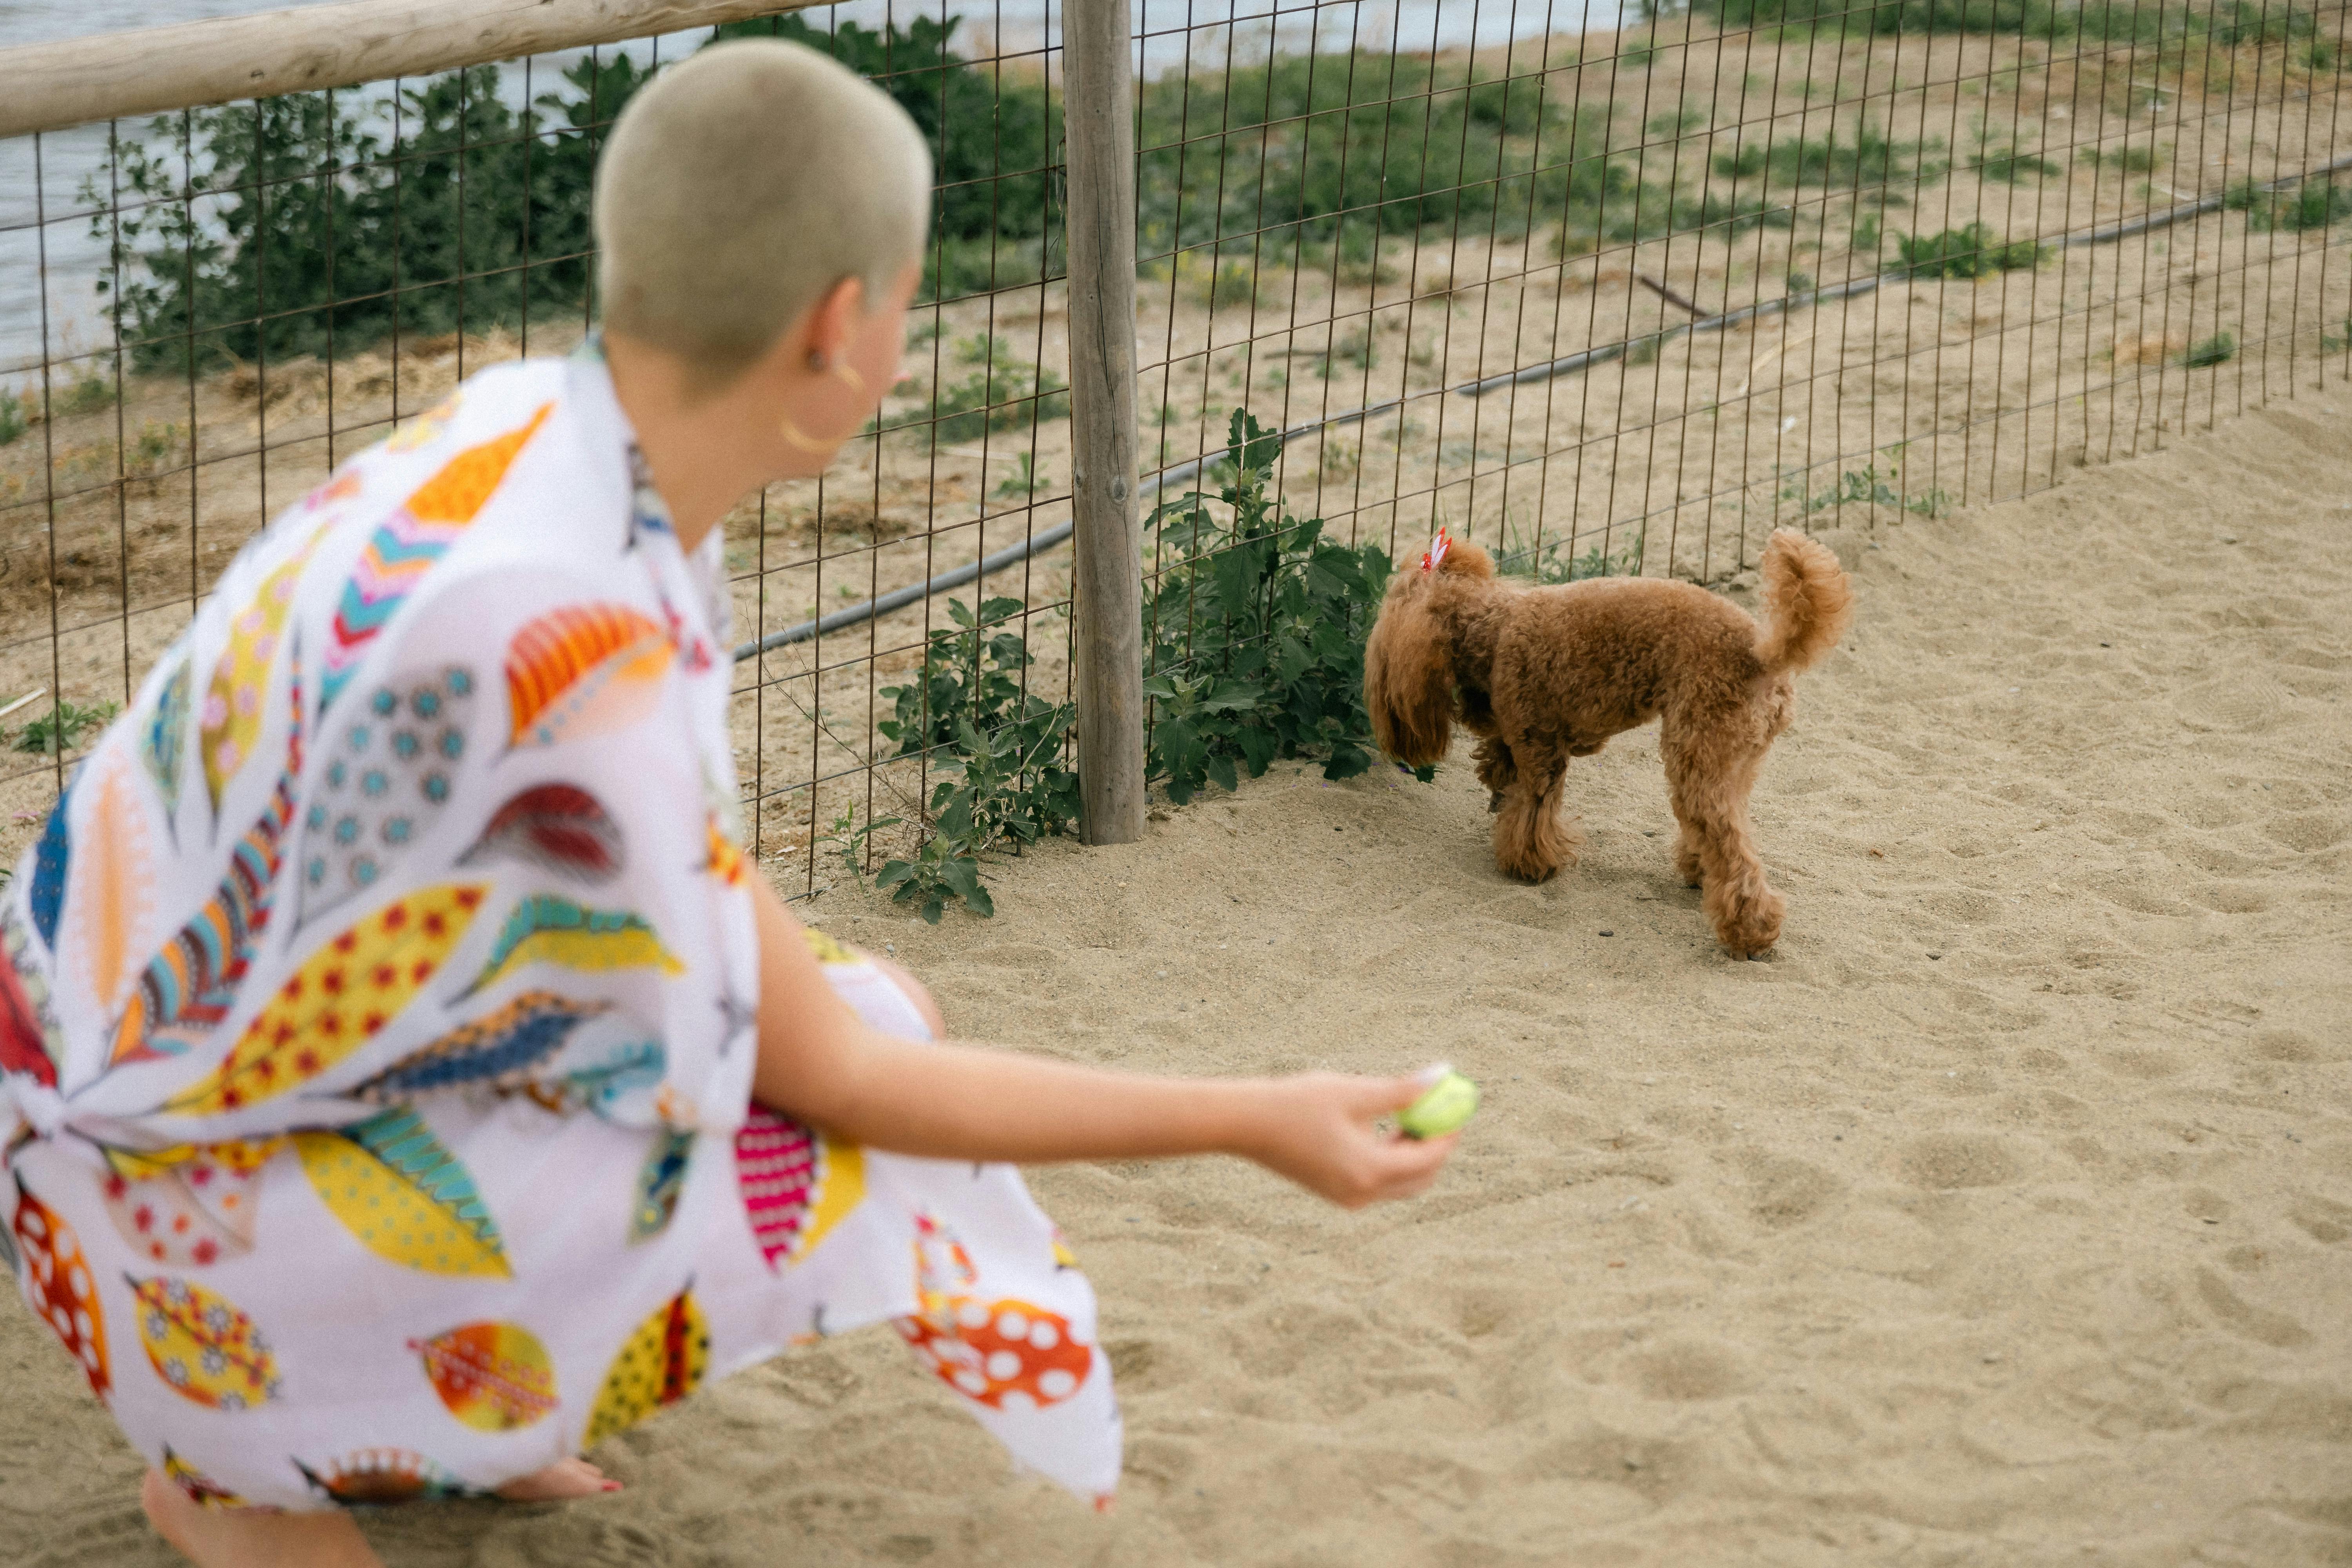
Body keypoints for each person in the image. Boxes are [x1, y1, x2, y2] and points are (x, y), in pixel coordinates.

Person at [0, 40, 1457, 1568]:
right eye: (906, 296)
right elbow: (838, 1082)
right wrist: (1255, 1118)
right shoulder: (585, 643)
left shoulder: (529, 429)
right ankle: (251, 1464)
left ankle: (421, 1415)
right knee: (819, 1129)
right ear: (840, 327)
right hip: (156, 1241)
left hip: (82, 1091)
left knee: (870, 1004)